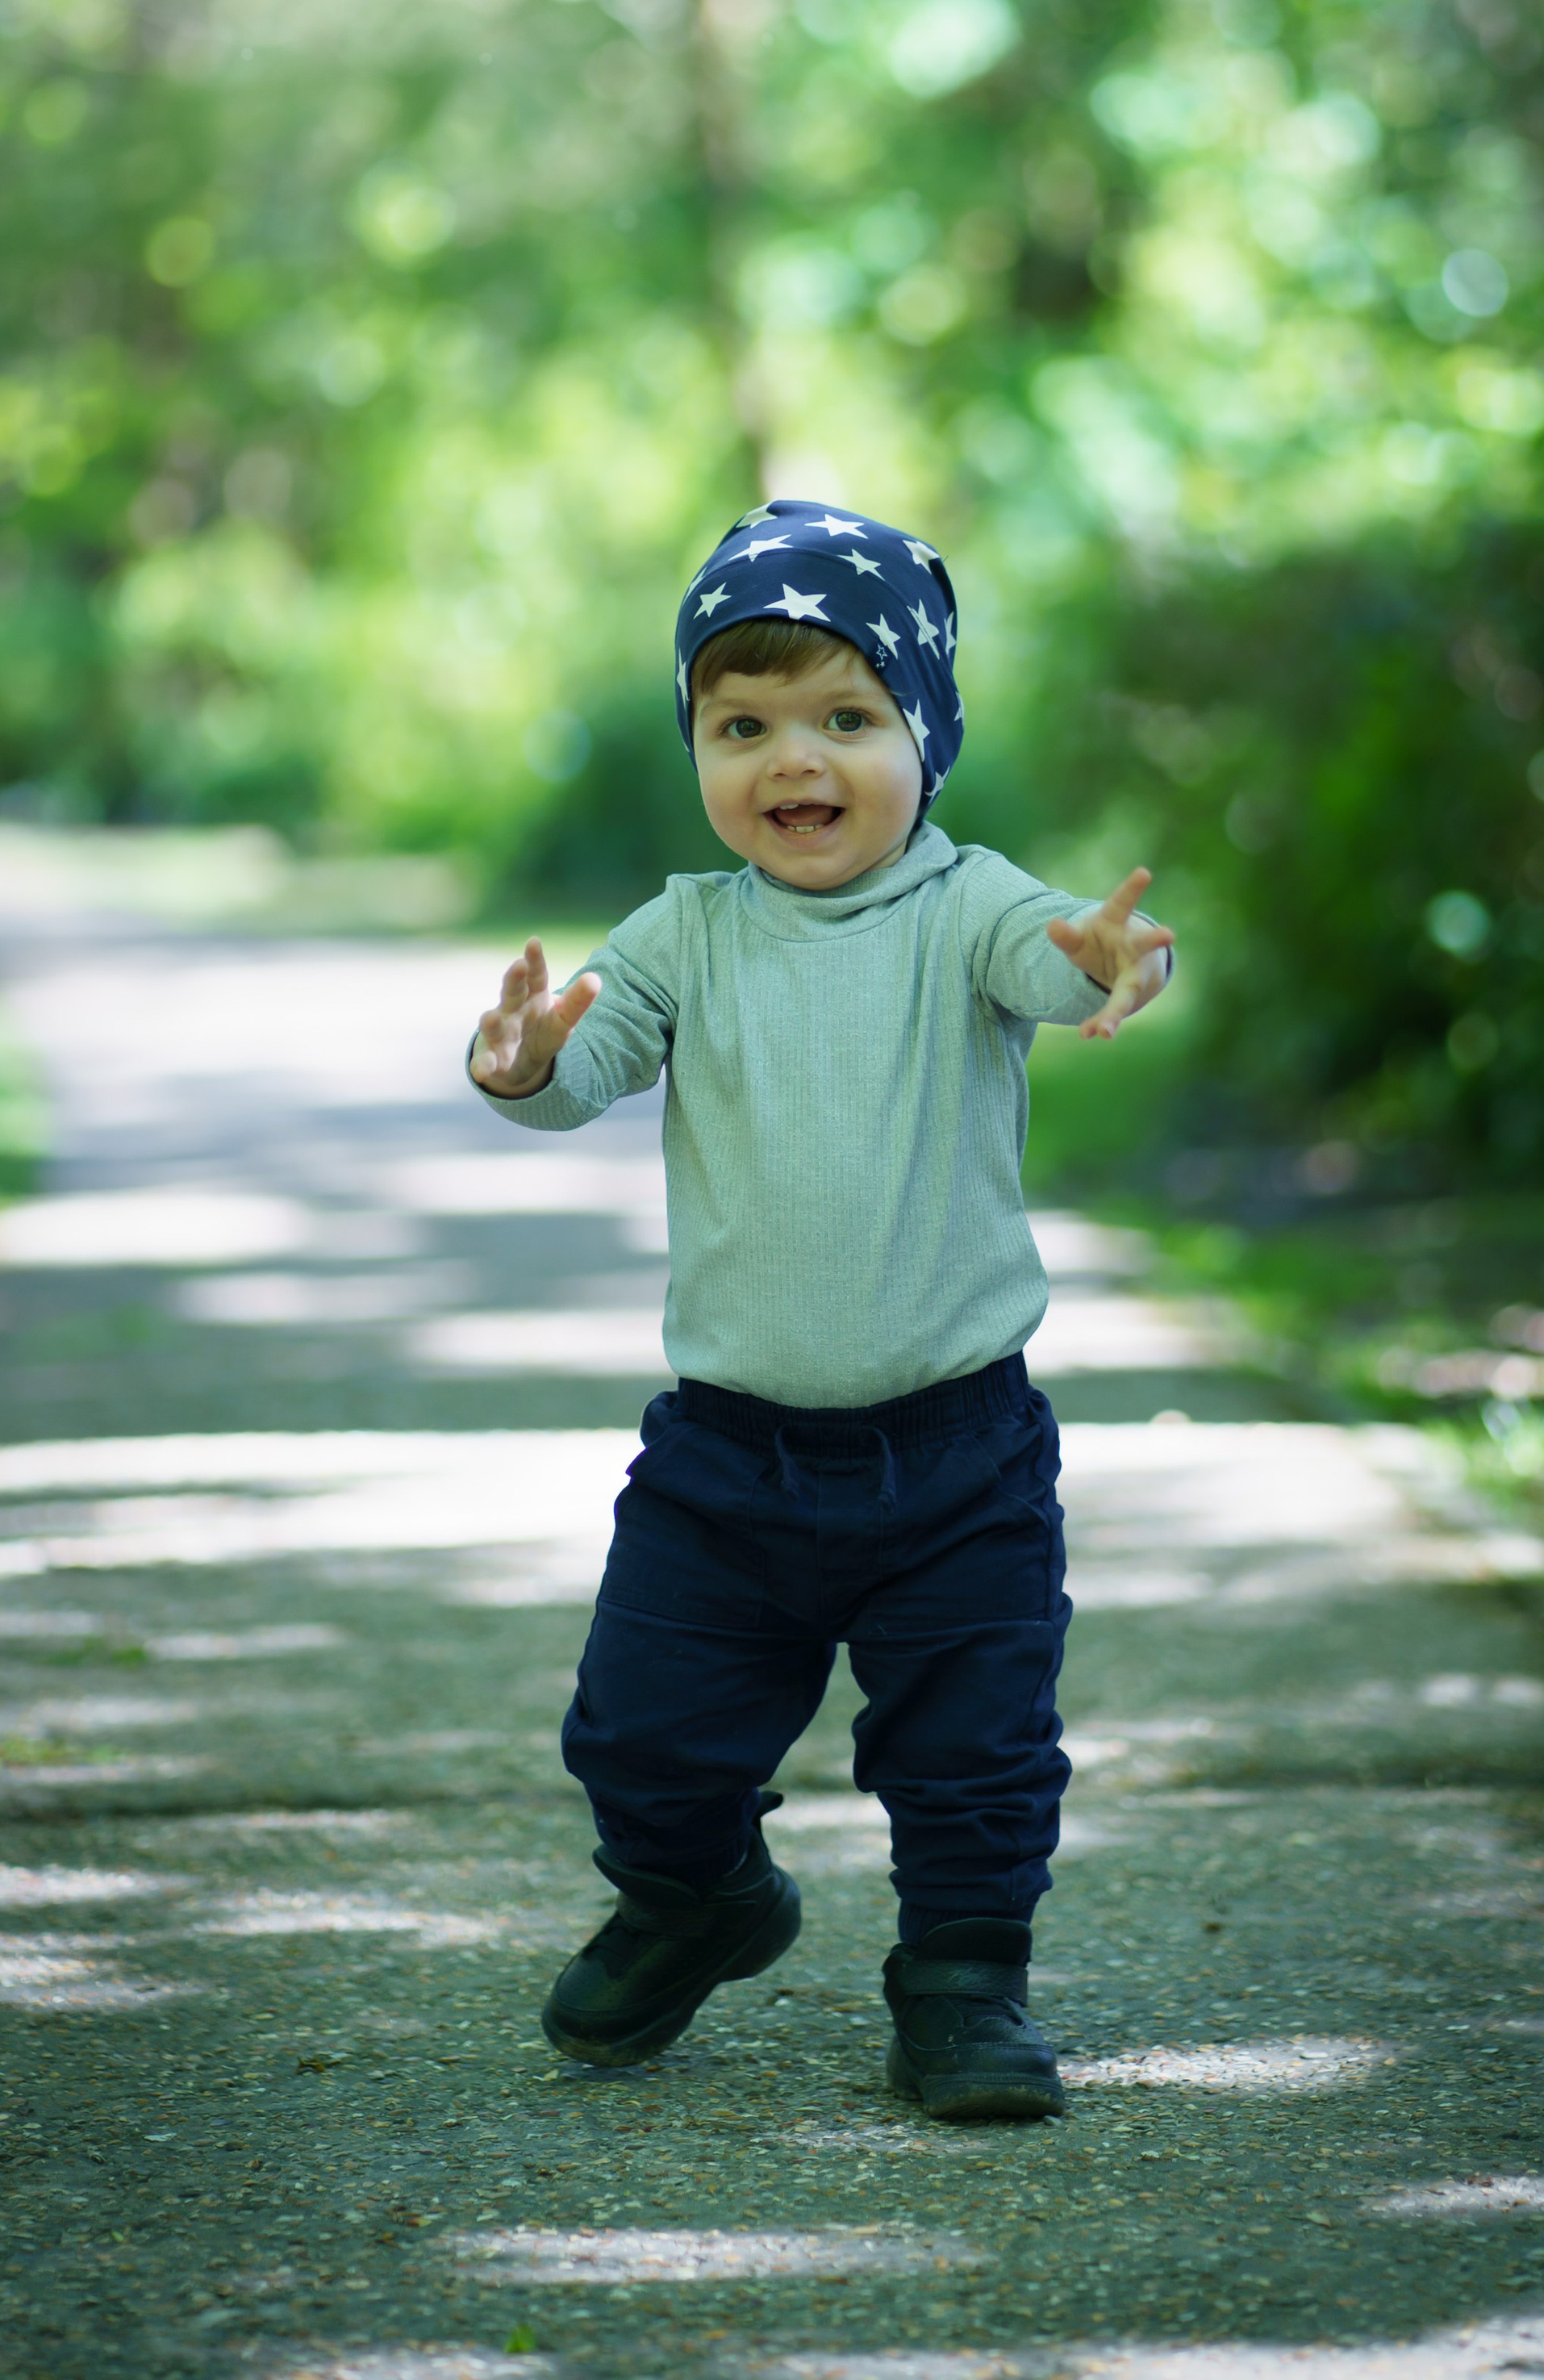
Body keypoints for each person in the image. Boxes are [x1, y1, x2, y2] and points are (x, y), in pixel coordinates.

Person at [467, 499, 1173, 2122]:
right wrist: (514, 1064)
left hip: (956, 1456)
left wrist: (1111, 958)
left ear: (921, 734)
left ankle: (960, 1984)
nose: (795, 757)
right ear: (702, 747)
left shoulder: (971, 905)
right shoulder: (683, 933)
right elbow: (579, 1059)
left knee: (973, 1756)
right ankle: (699, 1892)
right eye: (745, 723)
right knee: (637, 1743)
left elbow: (1060, 958)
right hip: (728, 1462)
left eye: (846, 717)